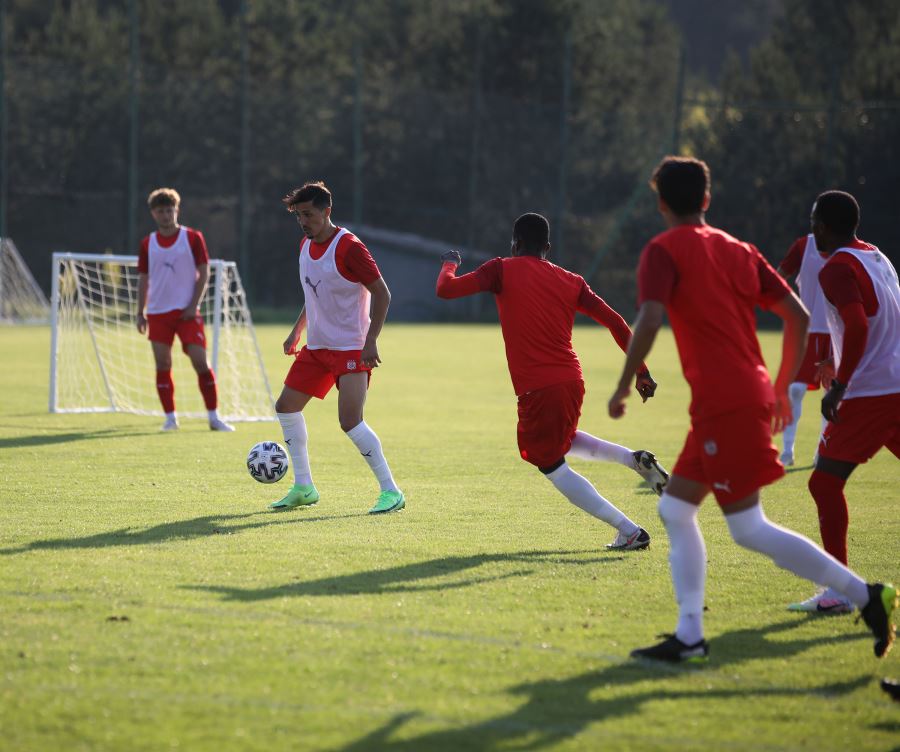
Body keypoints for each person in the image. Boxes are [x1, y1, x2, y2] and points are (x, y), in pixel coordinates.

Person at [609, 156, 896, 662]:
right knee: (675, 508)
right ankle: (689, 635)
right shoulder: (737, 248)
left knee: (747, 527)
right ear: (706, 200)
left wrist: (624, 381)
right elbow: (798, 314)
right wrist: (782, 385)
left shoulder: (661, 250)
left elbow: (651, 317)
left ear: (659, 203)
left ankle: (863, 595)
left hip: (726, 403)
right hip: (735, 399)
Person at [435, 212, 668, 551]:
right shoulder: (571, 280)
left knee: (548, 461)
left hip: (539, 388)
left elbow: (446, 290)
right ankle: (633, 459)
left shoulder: (500, 269)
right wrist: (642, 372)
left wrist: (448, 264)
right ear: (547, 247)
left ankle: (629, 530)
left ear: (515, 244)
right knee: (561, 438)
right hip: (572, 380)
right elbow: (616, 323)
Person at [787, 190, 900, 615]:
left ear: (826, 225)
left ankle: (839, 591)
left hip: (871, 390)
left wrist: (840, 385)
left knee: (824, 482)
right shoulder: (876, 255)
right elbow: (878, 316)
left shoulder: (835, 267)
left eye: (815, 219)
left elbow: (856, 324)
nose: (812, 227)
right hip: (895, 381)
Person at [270, 181, 404, 515]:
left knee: (350, 422)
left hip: (350, 349)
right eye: (298, 215)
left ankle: (391, 491)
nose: (303, 221)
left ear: (326, 211)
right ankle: (303, 487)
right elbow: (313, 294)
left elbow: (383, 294)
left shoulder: (350, 248)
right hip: (316, 347)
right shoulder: (305, 245)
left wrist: (370, 341)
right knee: (286, 407)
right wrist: (296, 331)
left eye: (309, 214)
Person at [136, 188, 234, 432]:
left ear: (176, 210)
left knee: (200, 362)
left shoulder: (192, 238)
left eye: (170, 210)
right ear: (153, 214)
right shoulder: (148, 244)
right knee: (163, 364)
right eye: (161, 211)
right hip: (158, 313)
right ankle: (170, 418)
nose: (166, 215)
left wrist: (194, 304)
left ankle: (214, 417)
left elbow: (204, 271)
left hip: (187, 313)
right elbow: (143, 278)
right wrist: (140, 312)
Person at [776, 230, 832, 466]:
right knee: (795, 390)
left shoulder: (850, 248)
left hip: (836, 333)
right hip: (806, 330)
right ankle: (788, 450)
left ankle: (823, 450)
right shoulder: (803, 246)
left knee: (831, 393)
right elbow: (778, 277)